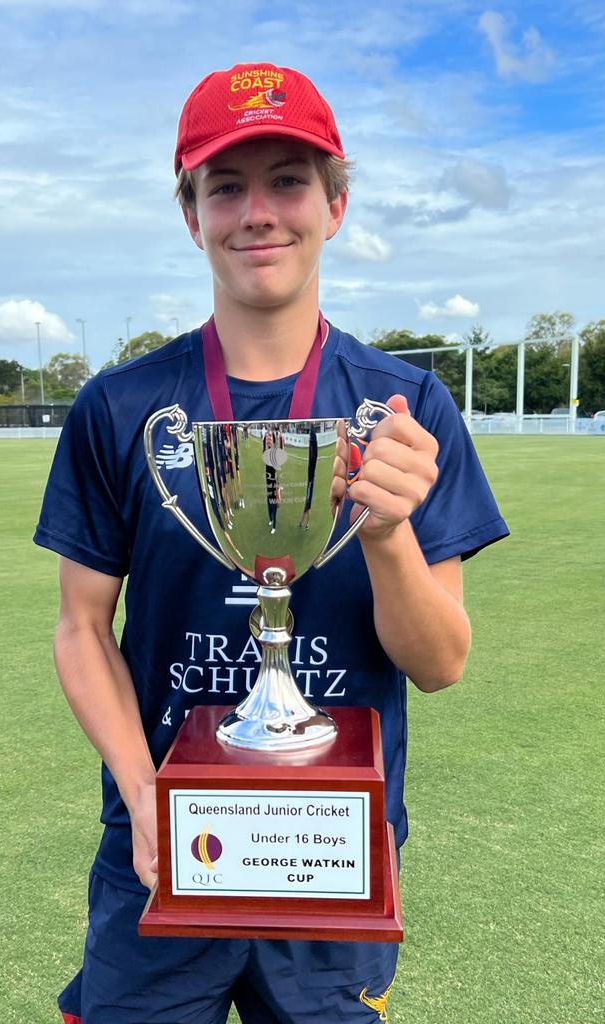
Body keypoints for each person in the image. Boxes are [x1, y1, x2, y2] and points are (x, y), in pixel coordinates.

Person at [34, 61, 509, 1024]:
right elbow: (83, 628)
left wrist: (385, 532)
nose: (259, 212)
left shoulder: (407, 407)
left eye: (288, 179)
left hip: (331, 849)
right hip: (166, 848)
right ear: (191, 214)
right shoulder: (120, 406)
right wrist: (144, 794)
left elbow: (441, 663)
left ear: (335, 204)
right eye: (226, 186)